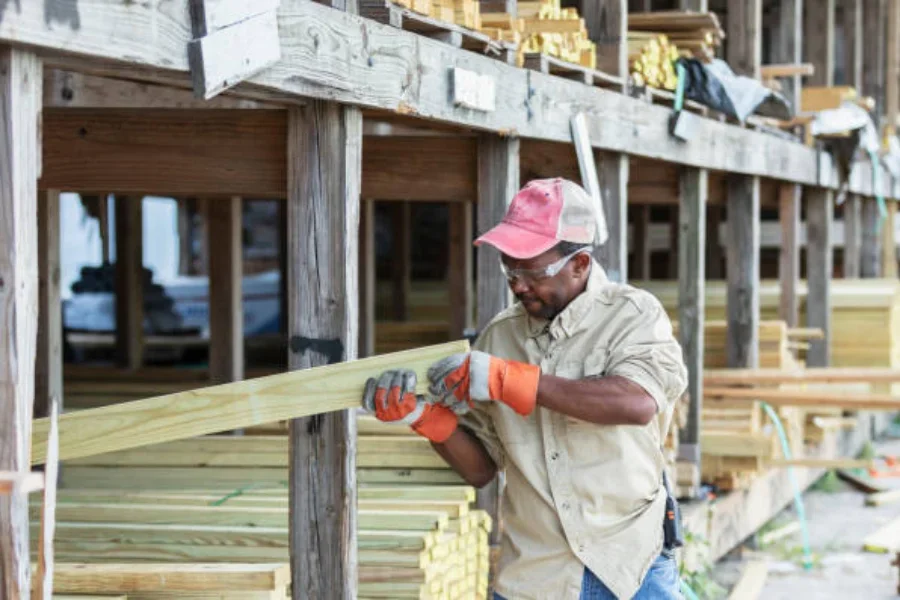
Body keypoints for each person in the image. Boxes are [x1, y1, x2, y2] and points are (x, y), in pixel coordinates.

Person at [362, 178, 689, 600]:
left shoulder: (633, 316)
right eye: (510, 270)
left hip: (631, 567)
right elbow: (481, 468)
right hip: (536, 576)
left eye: (532, 272)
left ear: (581, 263)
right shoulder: (500, 338)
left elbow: (636, 402)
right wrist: (423, 417)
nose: (518, 286)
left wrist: (512, 380)